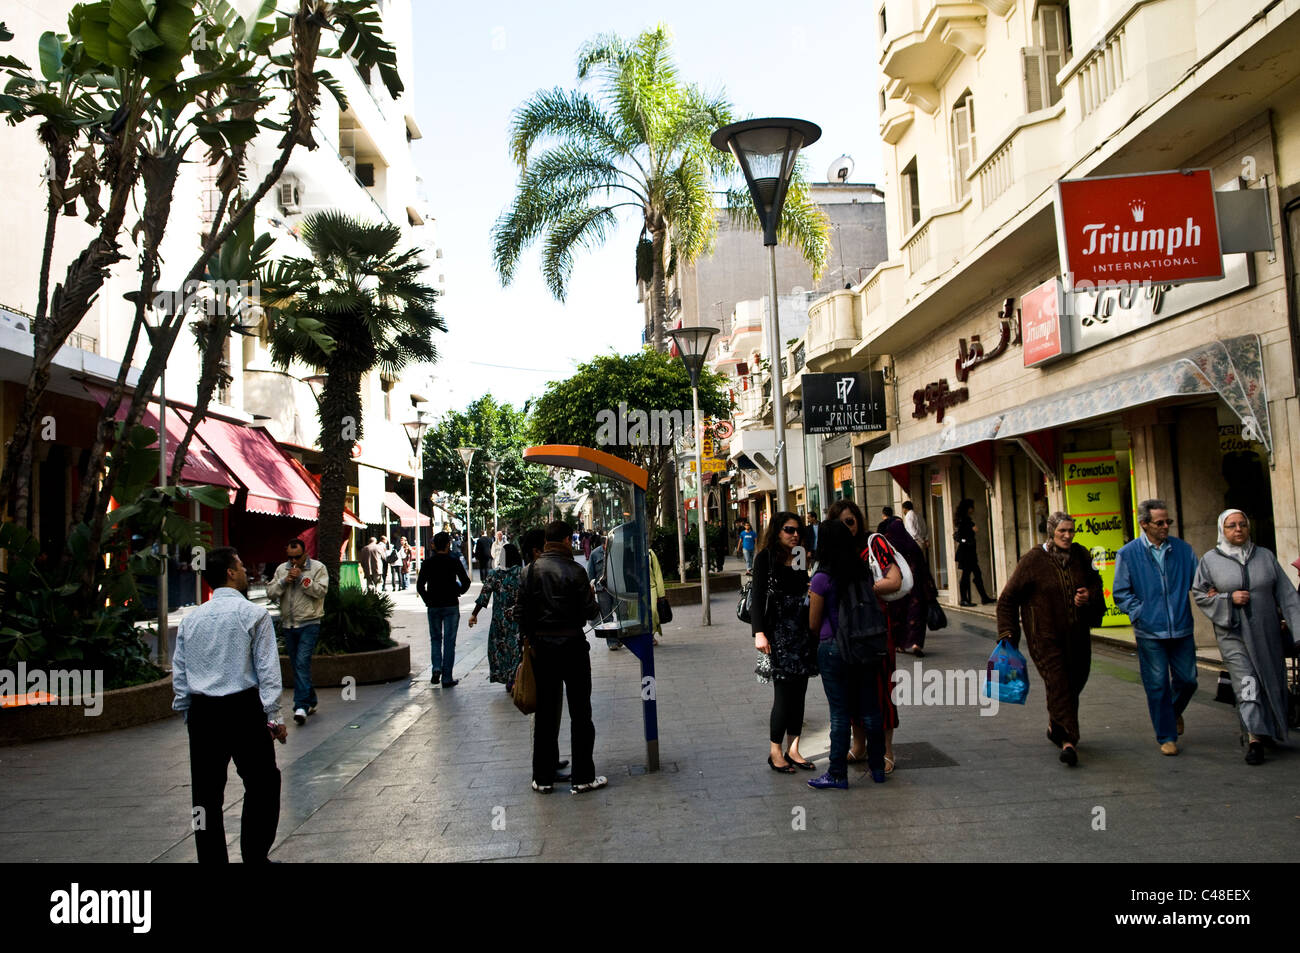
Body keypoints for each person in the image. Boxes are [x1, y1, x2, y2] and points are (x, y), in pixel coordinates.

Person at [171, 547, 285, 864]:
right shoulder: (254, 615)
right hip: (244, 709)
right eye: (241, 566)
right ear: (231, 573)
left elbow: (180, 674)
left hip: (203, 712)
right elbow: (267, 671)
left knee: (205, 796)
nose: (246, 571)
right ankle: (254, 855)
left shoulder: (191, 621)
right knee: (263, 783)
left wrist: (188, 713)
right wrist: (274, 717)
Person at [1191, 509, 1300, 765]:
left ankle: (1268, 730)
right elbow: (1200, 594)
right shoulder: (1210, 560)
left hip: (1267, 634)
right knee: (1247, 682)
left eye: (1242, 525)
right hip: (1234, 636)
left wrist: (1297, 632)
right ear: (1222, 530)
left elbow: (1287, 596)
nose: (1238, 530)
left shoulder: (1265, 557)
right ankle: (1254, 738)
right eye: (1231, 526)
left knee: (1271, 680)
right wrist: (1229, 598)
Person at [996, 512, 1104, 766]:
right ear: (1051, 533)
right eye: (1062, 531)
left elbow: (1095, 583)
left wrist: (1088, 596)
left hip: (1077, 636)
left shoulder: (1081, 556)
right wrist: (1007, 633)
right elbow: (1007, 599)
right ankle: (1068, 741)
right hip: (1044, 637)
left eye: (1071, 531)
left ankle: (1056, 726)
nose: (1067, 536)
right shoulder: (1033, 560)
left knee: (1076, 679)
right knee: (1059, 682)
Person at [807, 519, 902, 789]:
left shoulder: (822, 577)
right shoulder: (863, 572)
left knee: (839, 714)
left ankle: (836, 773)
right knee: (870, 709)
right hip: (865, 647)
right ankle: (877, 767)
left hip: (834, 648)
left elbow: (814, 623)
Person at [515, 521, 606, 794]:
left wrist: (532, 637)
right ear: (567, 540)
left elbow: (520, 613)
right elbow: (591, 612)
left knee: (545, 713)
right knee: (580, 712)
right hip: (573, 647)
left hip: (542, 648)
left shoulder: (529, 572)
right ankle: (582, 777)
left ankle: (542, 778)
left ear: (545, 542)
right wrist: (591, 596)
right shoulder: (576, 571)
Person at [1112, 499, 1199, 756]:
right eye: (1159, 522)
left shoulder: (1183, 550)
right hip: (1149, 631)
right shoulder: (1128, 554)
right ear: (1144, 524)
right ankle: (1167, 735)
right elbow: (1121, 593)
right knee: (1158, 684)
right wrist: (1140, 613)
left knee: (1189, 680)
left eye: (1168, 522)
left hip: (1182, 628)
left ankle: (1171, 713)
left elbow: (1201, 581)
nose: (1165, 527)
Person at [829, 498, 901, 773]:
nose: (847, 527)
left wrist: (865, 590)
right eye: (840, 523)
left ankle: (885, 749)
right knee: (851, 689)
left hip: (875, 628)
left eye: (850, 521)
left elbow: (894, 579)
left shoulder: (874, 544)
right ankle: (859, 745)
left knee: (882, 688)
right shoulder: (834, 552)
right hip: (847, 631)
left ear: (858, 520)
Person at [752, 511, 817, 773]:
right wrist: (759, 633)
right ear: (777, 531)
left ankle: (794, 748)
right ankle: (775, 751)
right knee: (783, 694)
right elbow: (757, 597)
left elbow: (804, 591)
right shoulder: (765, 558)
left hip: (801, 631)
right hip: (776, 633)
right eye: (789, 530)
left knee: (800, 693)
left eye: (798, 530)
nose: (795, 534)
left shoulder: (801, 556)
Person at [266, 538, 329, 725]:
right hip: (288, 625)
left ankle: (300, 706)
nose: (293, 561)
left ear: (305, 553)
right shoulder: (280, 570)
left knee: (301, 662)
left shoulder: (318, 568)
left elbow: (321, 591)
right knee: (297, 665)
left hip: (309, 623)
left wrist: (302, 578)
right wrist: (285, 581)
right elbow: (270, 592)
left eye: (297, 557)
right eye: (290, 557)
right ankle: (311, 699)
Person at [417, 531, 471, 688]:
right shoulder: (453, 561)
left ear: (434, 545)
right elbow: (466, 582)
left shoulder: (427, 563)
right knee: (449, 641)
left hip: (433, 605)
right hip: (450, 605)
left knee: (435, 639)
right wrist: (458, 592)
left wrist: (428, 600)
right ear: (448, 544)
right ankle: (447, 677)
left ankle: (436, 667)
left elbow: (420, 586)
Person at [470, 542, 525, 689]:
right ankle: (516, 677)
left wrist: (474, 614)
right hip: (517, 619)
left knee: (501, 649)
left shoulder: (494, 574)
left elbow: (483, 597)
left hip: (499, 621)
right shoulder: (522, 573)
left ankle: (508, 678)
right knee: (517, 648)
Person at [881, 512, 936, 658]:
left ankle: (900, 645)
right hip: (916, 587)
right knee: (916, 615)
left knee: (899, 617)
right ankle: (916, 643)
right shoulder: (911, 544)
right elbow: (923, 566)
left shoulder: (889, 546)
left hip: (899, 588)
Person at [955, 498, 996, 605]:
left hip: (970, 552)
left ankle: (983, 597)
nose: (973, 509)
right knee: (967, 575)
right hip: (966, 553)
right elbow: (958, 536)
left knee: (976, 574)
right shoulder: (964, 520)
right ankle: (964, 599)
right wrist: (966, 541)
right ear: (968, 508)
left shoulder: (966, 519)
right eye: (971, 507)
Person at [650, 547, 666, 646]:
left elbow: (657, 573)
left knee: (653, 611)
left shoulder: (650, 553)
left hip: (651, 588)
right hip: (636, 591)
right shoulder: (629, 552)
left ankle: (651, 635)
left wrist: (661, 594)